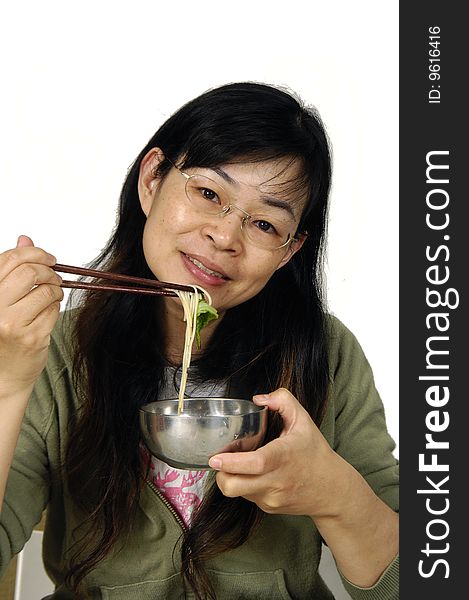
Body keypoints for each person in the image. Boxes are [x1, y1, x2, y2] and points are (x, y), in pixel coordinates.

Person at [0, 82, 398, 599]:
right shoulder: (54, 350)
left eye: (263, 223)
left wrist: (335, 495)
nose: (226, 237)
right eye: (209, 193)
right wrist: (8, 382)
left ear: (288, 251)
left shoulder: (326, 354)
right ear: (152, 179)